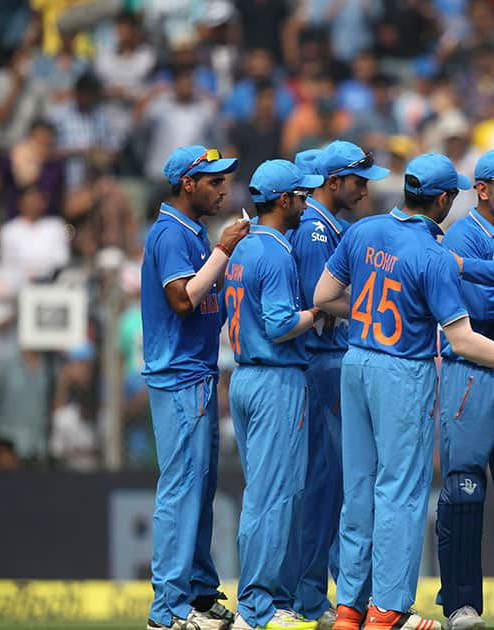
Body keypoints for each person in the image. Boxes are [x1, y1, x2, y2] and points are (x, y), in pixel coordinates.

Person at [313, 153, 494, 630]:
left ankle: (350, 609)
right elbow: (462, 338)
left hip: (358, 360)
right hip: (404, 369)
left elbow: (323, 298)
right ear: (443, 198)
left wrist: (374, 315)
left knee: (360, 491)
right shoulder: (435, 253)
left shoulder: (364, 230)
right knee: (401, 491)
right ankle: (388, 610)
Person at [141, 145, 245, 630]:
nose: (223, 188)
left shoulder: (192, 233)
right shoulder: (170, 234)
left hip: (196, 373)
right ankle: (166, 613)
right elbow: (181, 300)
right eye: (213, 181)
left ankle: (199, 597)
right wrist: (224, 251)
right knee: (182, 492)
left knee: (198, 492)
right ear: (187, 183)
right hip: (179, 377)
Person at [289, 141, 390, 628]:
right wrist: (385, 310)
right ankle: (309, 597)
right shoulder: (314, 231)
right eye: (359, 179)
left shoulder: (332, 228)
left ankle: (318, 592)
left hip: (329, 361)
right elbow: (319, 301)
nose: (366, 188)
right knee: (323, 485)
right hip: (321, 362)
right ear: (333, 182)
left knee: (332, 485)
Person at [226, 159, 325, 630]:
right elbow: (282, 324)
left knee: (263, 494)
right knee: (274, 496)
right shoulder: (276, 252)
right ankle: (259, 606)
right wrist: (318, 314)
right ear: (283, 201)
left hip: (246, 378)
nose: (306, 203)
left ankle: (268, 601)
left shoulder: (244, 247)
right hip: (275, 379)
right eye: (302, 197)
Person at [436, 148, 494, 630]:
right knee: (465, 487)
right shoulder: (462, 236)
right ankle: (461, 604)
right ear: (482, 189)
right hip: (474, 372)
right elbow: (486, 309)